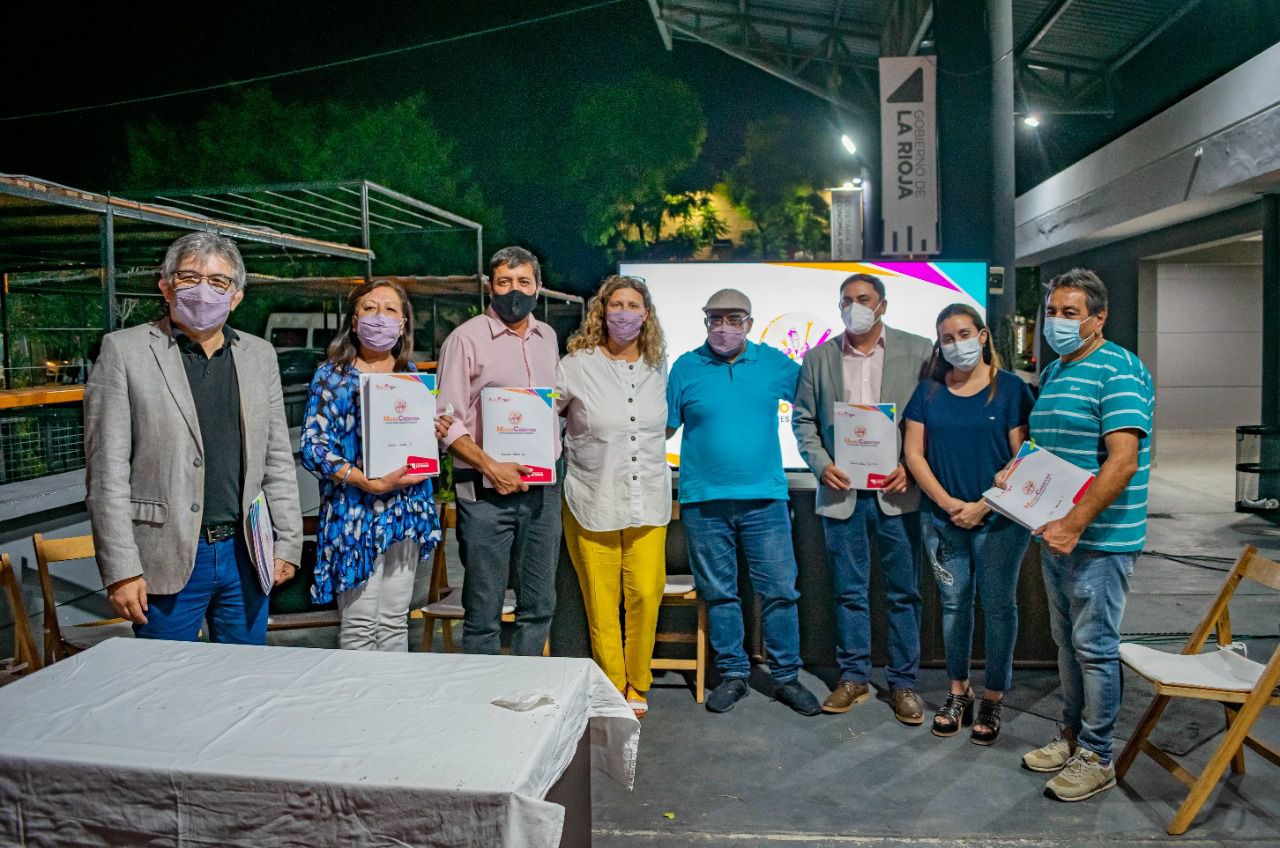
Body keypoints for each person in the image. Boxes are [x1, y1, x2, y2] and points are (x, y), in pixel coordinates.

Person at [84, 232, 302, 643]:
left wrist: (288, 543)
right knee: (166, 679)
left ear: (236, 297)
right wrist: (121, 570)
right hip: (164, 555)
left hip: (247, 553)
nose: (204, 290)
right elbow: (106, 473)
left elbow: (276, 460)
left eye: (218, 281)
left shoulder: (259, 355)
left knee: (245, 675)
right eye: (189, 277)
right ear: (166, 287)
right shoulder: (124, 352)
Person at [1011, 269, 1153, 802]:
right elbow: (1049, 449)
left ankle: (1098, 754)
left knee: (1094, 647)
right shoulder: (1055, 371)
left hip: (1099, 540)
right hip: (1056, 536)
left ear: (1098, 318)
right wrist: (1016, 474)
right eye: (1052, 312)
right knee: (1066, 643)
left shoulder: (1119, 370)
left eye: (1070, 313)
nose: (1058, 322)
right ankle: (1071, 735)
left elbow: (1123, 461)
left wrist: (1074, 523)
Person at [667, 288, 820, 716]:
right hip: (703, 502)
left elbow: (816, 403)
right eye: (715, 319)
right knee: (719, 593)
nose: (723, 328)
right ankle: (733, 674)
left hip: (765, 501)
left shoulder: (773, 363)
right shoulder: (685, 367)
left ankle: (786, 677)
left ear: (749, 323)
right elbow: (662, 428)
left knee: (780, 591)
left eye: (734, 319)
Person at [792, 273, 934, 723]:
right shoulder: (818, 357)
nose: (855, 307)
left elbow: (934, 416)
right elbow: (803, 421)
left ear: (882, 305)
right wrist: (821, 465)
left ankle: (903, 682)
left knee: (904, 593)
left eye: (864, 299)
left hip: (898, 492)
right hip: (843, 493)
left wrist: (911, 466)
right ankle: (853, 676)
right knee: (849, 591)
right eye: (847, 300)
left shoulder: (919, 350)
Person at [902, 304, 1034, 744]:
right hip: (942, 520)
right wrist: (948, 503)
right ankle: (958, 690)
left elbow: (1022, 459)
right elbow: (914, 454)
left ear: (982, 336)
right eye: (947, 338)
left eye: (963, 333)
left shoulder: (1011, 389)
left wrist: (982, 506)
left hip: (1000, 520)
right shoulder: (928, 392)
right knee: (954, 606)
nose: (956, 344)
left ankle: (994, 696)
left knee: (998, 606)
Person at [300, 279, 442, 651]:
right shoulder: (331, 377)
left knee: (395, 623)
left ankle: (394, 691)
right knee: (360, 627)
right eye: (370, 308)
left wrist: (434, 432)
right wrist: (365, 480)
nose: (380, 318)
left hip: (405, 511)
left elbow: (418, 441)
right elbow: (314, 446)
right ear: (354, 320)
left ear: (403, 323)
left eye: (390, 310)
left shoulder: (411, 375)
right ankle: (358, 691)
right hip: (354, 513)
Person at [436, 246, 561, 655]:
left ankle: (526, 686)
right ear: (490, 286)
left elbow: (552, 407)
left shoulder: (547, 338)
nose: (514, 291)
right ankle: (483, 689)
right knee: (483, 610)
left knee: (539, 606)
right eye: (505, 282)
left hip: (541, 492)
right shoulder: (465, 339)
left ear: (538, 286)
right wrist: (492, 466)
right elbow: (446, 421)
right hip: (484, 494)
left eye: (524, 281)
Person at [557, 275, 671, 718]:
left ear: (647, 314)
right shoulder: (575, 365)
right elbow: (547, 417)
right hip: (592, 497)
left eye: (633, 305)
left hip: (649, 499)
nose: (625, 313)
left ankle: (638, 682)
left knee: (646, 593)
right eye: (616, 304)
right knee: (601, 603)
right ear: (602, 311)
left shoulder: (658, 366)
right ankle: (612, 687)